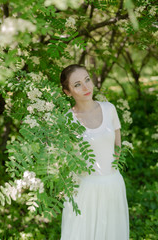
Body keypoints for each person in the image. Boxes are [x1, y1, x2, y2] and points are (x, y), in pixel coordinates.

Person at [60, 64, 129, 240]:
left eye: (87, 80)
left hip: (113, 185)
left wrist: (109, 176)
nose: (86, 87)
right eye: (77, 84)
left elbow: (117, 146)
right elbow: (65, 159)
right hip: (84, 190)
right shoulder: (66, 120)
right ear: (68, 92)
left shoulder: (109, 109)